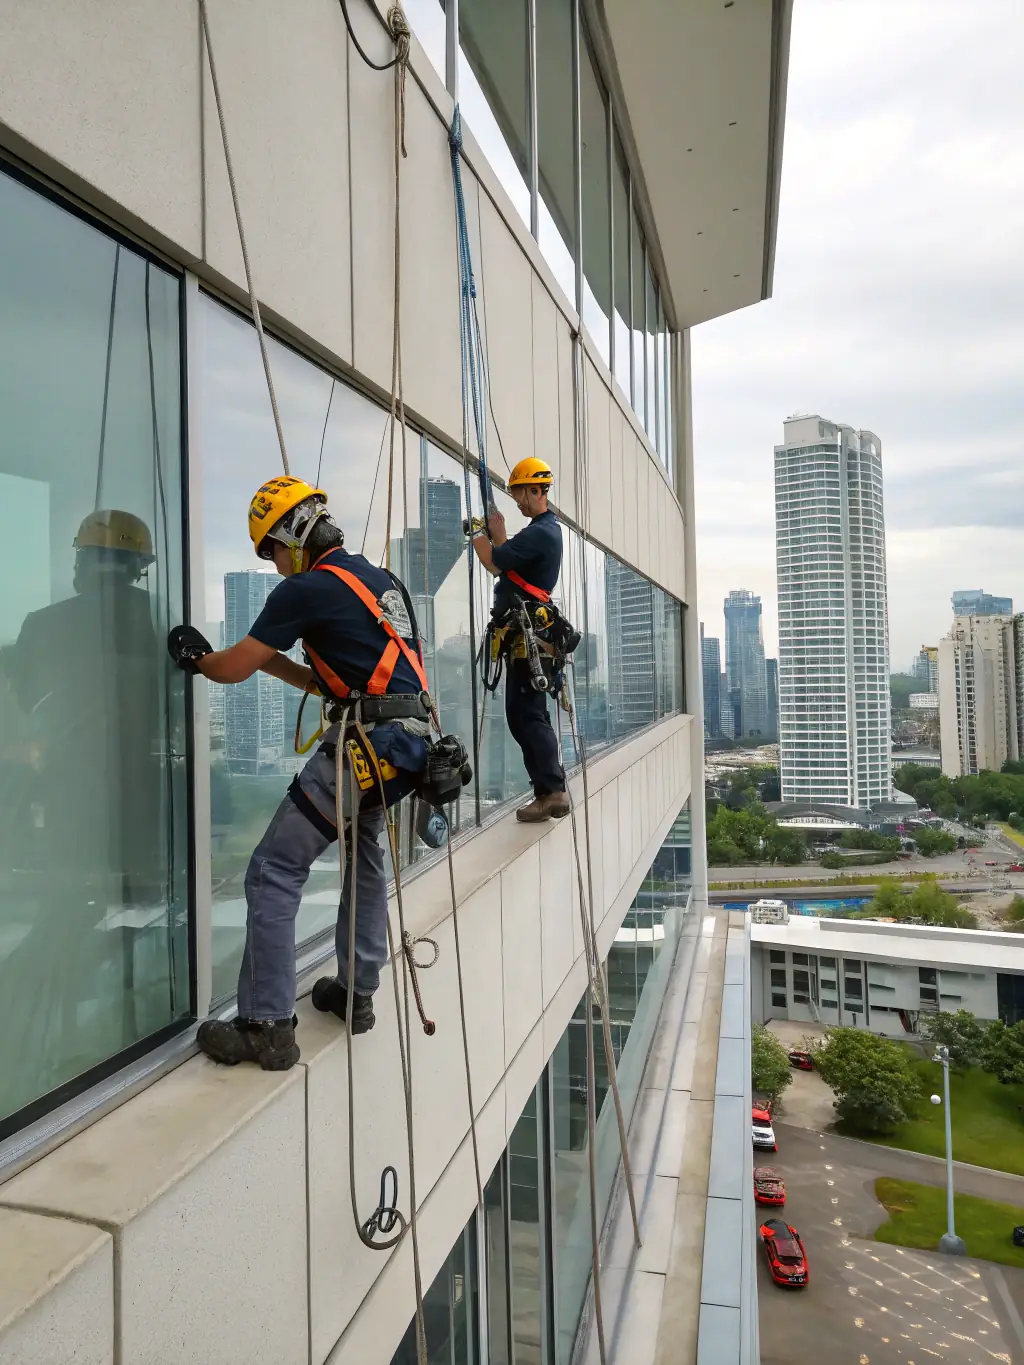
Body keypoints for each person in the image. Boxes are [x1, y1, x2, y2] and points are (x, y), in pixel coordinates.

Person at [168, 476, 434, 1071]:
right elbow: (322, 680)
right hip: (407, 749)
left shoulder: (306, 590)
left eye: (271, 551)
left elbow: (232, 668)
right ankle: (357, 994)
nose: (273, 564)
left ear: (292, 533)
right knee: (364, 862)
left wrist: (197, 658)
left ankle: (266, 1025)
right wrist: (270, 667)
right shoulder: (377, 581)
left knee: (272, 869)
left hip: (364, 747)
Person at [471, 457, 569, 823]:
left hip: (527, 637)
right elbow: (510, 560)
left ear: (537, 490)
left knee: (526, 716)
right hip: (529, 636)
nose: (518, 502)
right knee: (529, 715)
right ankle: (547, 790)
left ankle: (551, 791)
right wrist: (499, 538)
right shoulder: (543, 532)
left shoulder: (540, 532)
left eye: (521, 494)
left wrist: (478, 531)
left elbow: (494, 561)